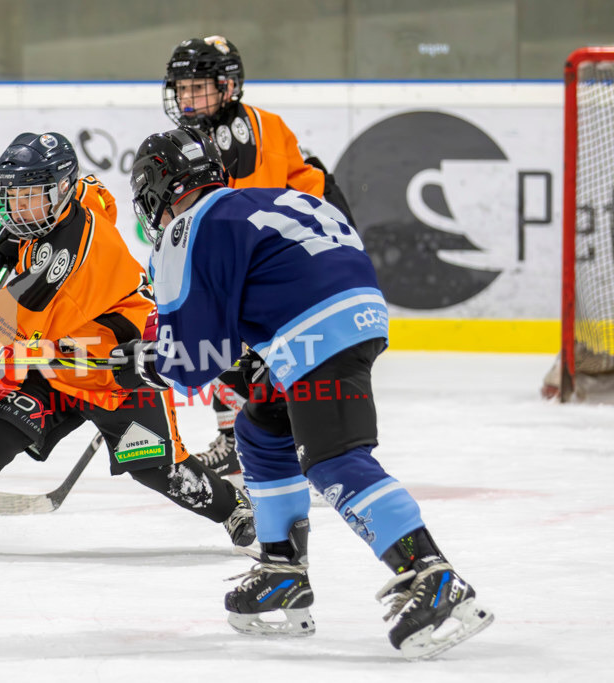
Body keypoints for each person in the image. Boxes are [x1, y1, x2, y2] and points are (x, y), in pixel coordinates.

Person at [112, 126, 493, 660]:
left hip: (314, 334)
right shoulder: (262, 199)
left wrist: (144, 364)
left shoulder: (188, 227)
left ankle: (431, 574)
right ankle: (281, 569)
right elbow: (245, 329)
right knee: (263, 423)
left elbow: (194, 361)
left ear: (155, 191)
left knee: (334, 459)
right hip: (351, 318)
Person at [0, 131, 255, 553]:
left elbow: (15, 339)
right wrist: (18, 238)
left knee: (158, 470)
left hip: (120, 367)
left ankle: (234, 506)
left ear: (59, 192)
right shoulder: (73, 200)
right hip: (62, 362)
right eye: (13, 196)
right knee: (6, 425)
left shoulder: (64, 270)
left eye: (29, 197)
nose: (17, 208)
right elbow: (97, 193)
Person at [161, 35, 356, 483]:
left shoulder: (248, 133)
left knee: (250, 350)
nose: (187, 97)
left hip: (295, 258)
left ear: (227, 87)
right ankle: (237, 442)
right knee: (227, 347)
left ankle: (304, 443)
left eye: (198, 87)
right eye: (182, 88)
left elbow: (248, 211)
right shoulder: (206, 133)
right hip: (284, 254)